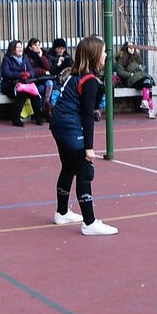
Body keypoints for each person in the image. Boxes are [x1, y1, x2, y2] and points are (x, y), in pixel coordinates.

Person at [49, 35, 117, 236]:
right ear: (95, 55)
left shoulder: (75, 75)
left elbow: (87, 107)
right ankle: (89, 222)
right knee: (84, 170)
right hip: (70, 128)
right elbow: (87, 116)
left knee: (68, 167)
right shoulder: (88, 81)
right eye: (103, 51)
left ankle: (61, 213)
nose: (105, 54)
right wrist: (88, 147)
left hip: (58, 125)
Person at [0, 39, 45, 127]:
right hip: (10, 84)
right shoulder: (7, 59)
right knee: (22, 93)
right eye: (18, 47)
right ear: (12, 49)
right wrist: (20, 74)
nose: (20, 49)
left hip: (25, 83)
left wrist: (28, 74)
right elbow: (6, 73)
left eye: (21, 47)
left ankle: (39, 117)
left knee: (34, 94)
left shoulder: (25, 57)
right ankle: (16, 118)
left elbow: (32, 71)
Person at [114, 42, 157, 119]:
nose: (132, 48)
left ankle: (148, 105)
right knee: (147, 81)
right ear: (126, 48)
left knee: (148, 84)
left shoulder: (137, 57)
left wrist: (141, 68)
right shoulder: (121, 59)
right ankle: (149, 107)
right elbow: (120, 72)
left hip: (140, 78)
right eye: (130, 47)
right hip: (131, 81)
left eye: (133, 47)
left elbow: (142, 68)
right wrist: (130, 75)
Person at [45, 38, 74, 107]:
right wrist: (58, 64)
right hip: (54, 78)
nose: (62, 50)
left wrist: (68, 62)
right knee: (56, 88)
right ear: (55, 48)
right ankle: (53, 106)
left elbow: (73, 66)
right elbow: (49, 70)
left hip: (65, 78)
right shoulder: (49, 56)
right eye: (60, 48)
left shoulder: (66, 55)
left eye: (63, 48)